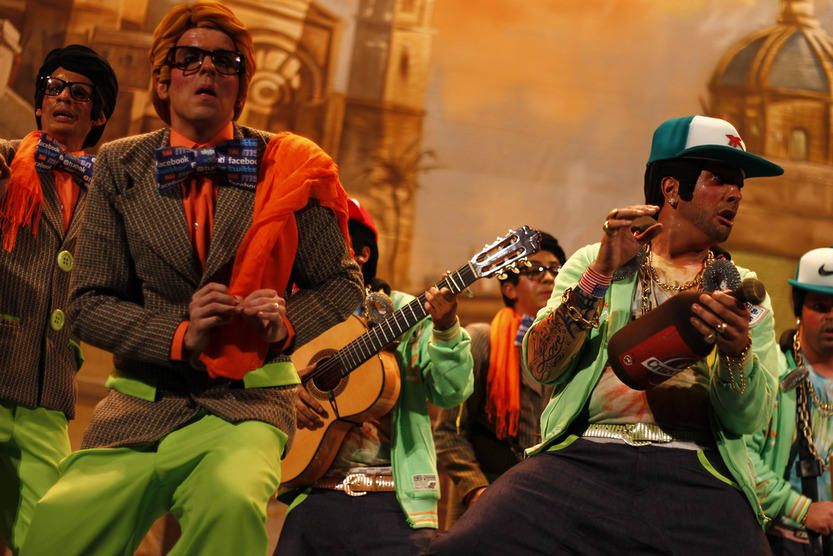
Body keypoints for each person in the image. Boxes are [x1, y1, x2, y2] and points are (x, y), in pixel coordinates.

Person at [19, 3, 363, 555]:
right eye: (190, 58)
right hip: (140, 403)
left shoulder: (289, 164)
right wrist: (182, 334)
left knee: (230, 506)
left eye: (224, 61)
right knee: (57, 532)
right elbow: (88, 304)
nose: (207, 69)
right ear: (162, 77)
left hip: (248, 404)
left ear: (242, 81)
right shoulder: (119, 165)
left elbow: (344, 284)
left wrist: (282, 327)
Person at [427, 115, 783, 554]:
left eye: (740, 184)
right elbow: (541, 364)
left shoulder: (743, 289)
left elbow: (749, 420)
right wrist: (600, 273)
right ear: (672, 188)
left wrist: (737, 351)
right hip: (586, 457)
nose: (736, 193)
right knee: (463, 547)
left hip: (695, 465)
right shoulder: (592, 262)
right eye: (720, 179)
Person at [276, 198, 473, 555]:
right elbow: (258, 379)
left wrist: (445, 330)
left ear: (362, 254)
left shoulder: (406, 312)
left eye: (326, 241)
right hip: (310, 494)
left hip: (396, 502)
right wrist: (284, 389)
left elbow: (451, 393)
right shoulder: (298, 313)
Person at [0, 45, 117, 554]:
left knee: (47, 535)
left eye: (79, 92)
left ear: (99, 114)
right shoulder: (6, 164)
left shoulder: (110, 194)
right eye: (54, 86)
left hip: (48, 387)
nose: (63, 97)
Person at [433, 231, 565, 527]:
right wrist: (477, 491)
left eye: (556, 270)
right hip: (487, 502)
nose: (548, 278)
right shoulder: (483, 339)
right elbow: (448, 432)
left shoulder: (569, 348)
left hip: (549, 502)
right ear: (509, 289)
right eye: (535, 271)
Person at [747, 247, 833, 555]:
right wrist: (802, 510)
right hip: (779, 538)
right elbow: (742, 457)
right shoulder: (772, 372)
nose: (831, 316)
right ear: (799, 309)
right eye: (821, 306)